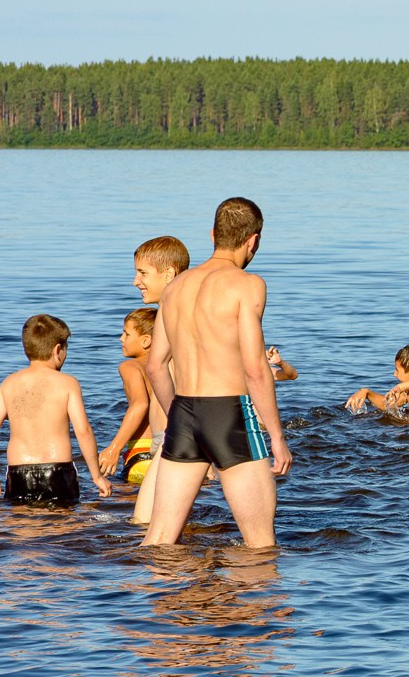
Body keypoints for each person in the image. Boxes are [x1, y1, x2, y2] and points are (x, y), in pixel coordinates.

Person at [144, 197, 293, 549]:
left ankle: (155, 602)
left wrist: (177, 418)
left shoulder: (175, 288)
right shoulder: (248, 285)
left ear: (212, 234)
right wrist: (276, 436)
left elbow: (156, 366)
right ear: (253, 241)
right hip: (229, 414)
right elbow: (256, 368)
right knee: (260, 546)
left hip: (183, 413)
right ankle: (249, 605)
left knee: (159, 541)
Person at [0, 314, 112, 506]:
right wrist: (97, 476)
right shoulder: (68, 383)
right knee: (62, 530)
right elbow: (83, 431)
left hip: (19, 472)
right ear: (58, 350)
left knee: (22, 530)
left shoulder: (9, 383)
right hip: (57, 471)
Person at [127, 235, 189, 526]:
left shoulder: (178, 312)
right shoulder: (172, 310)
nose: (136, 281)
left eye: (143, 273)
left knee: (147, 524)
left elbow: (160, 369)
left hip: (176, 434)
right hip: (169, 435)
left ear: (169, 274)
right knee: (147, 523)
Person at [94, 307, 158, 483]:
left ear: (146, 341)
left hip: (142, 456)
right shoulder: (172, 366)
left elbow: (140, 405)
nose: (121, 339)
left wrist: (114, 449)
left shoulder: (130, 367)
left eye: (127, 334)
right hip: (172, 455)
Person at [346, 343, 409, 422]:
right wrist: (366, 392)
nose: (394, 374)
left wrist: (400, 387)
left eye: (397, 370)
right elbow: (385, 404)